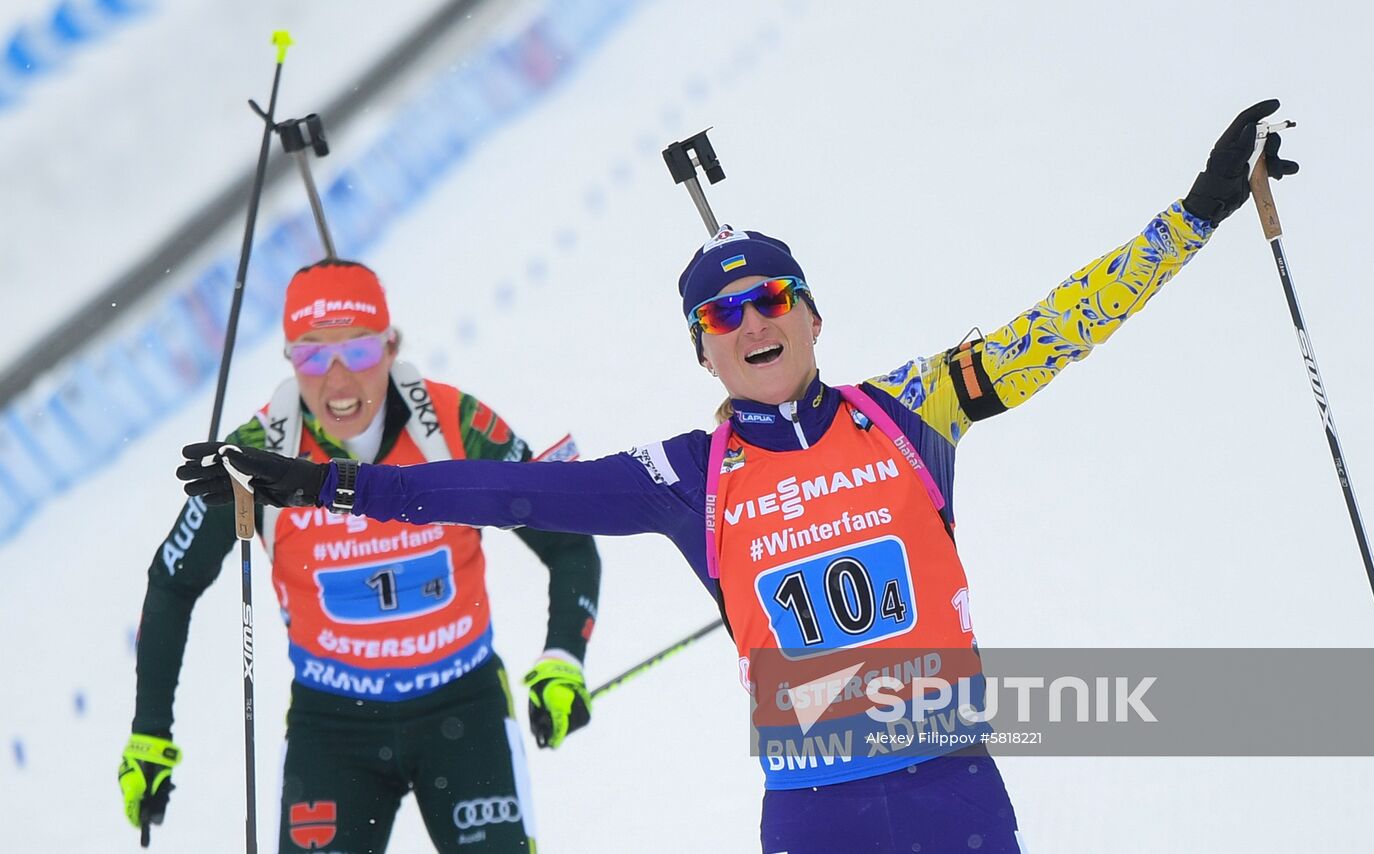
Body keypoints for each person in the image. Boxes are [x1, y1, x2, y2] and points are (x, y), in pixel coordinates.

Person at [177, 102, 1298, 852]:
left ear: (812, 313)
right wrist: (320, 485)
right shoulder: (685, 473)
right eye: (723, 313)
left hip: (953, 783)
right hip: (812, 807)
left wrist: (1197, 210)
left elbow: (1061, 325)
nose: (751, 321)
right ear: (700, 348)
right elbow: (498, 493)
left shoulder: (912, 406)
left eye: (772, 299)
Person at [121, 260, 601, 852]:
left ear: (393, 346)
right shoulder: (258, 454)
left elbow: (568, 536)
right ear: (289, 360)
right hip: (333, 729)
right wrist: (150, 734)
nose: (339, 382)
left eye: (360, 350)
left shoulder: (455, 425)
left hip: (463, 706)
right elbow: (173, 581)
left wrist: (564, 657)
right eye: (313, 356)